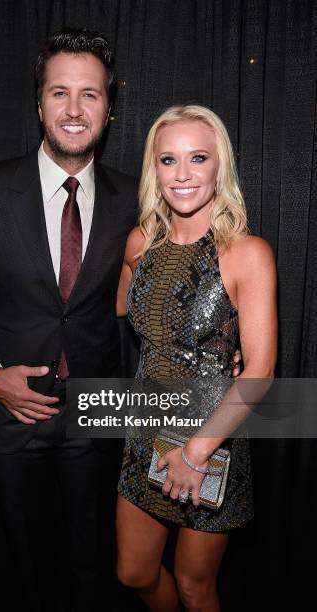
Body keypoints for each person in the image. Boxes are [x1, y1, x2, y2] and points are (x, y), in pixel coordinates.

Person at [0, 28, 137, 612]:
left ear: (109, 105)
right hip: (10, 409)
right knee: (19, 560)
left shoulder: (133, 198)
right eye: (59, 93)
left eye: (90, 95)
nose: (74, 110)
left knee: (90, 563)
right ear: (39, 103)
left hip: (100, 410)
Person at [116, 105, 277, 612]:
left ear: (218, 167)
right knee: (134, 572)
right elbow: (122, 307)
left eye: (198, 157)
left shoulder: (246, 253)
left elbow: (260, 373)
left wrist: (194, 454)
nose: (182, 174)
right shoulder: (140, 243)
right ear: (154, 169)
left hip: (215, 437)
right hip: (144, 433)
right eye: (168, 160)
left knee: (194, 585)